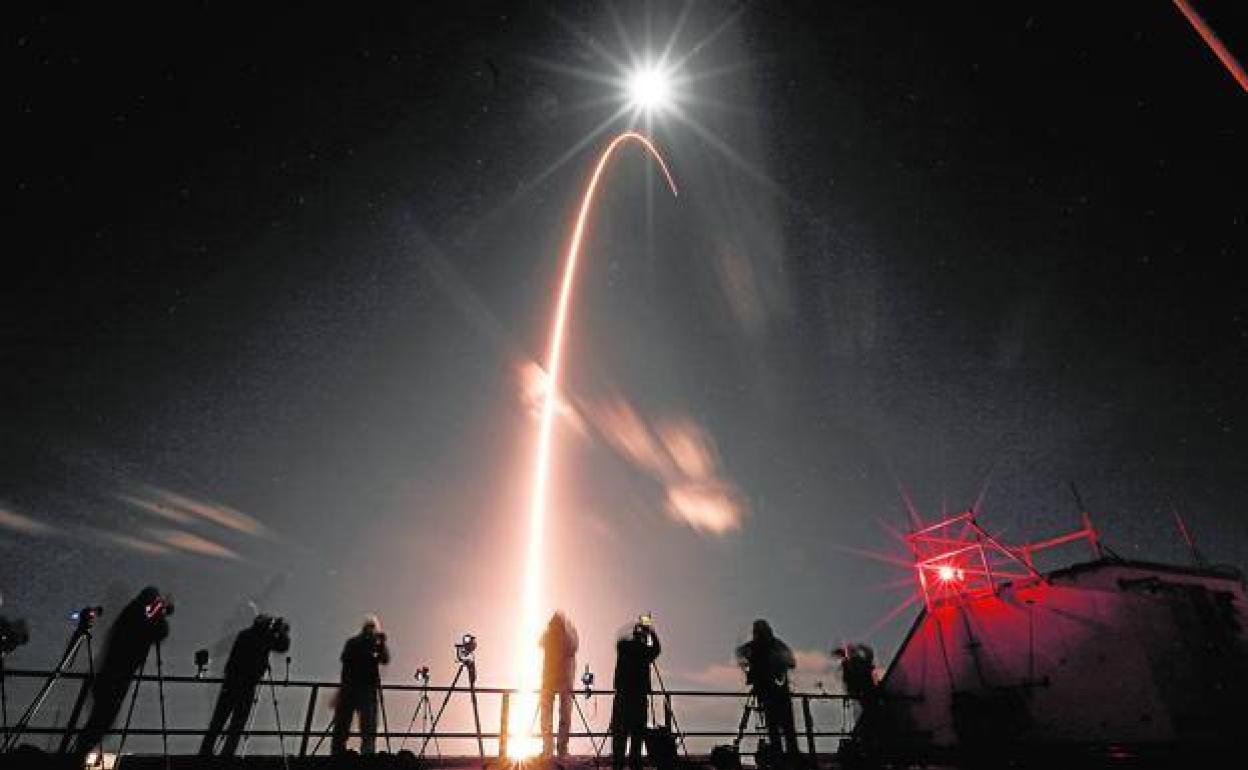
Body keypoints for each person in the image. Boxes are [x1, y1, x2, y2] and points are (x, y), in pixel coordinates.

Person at [71, 587, 172, 761]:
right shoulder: (138, 614)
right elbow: (159, 632)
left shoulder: (134, 611)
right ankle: (77, 757)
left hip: (110, 675)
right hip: (116, 677)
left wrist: (158, 613)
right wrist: (161, 614)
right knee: (101, 722)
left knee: (100, 721)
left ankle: (77, 755)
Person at [199, 614, 291, 756]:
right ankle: (227, 754)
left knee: (219, 720)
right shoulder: (262, 638)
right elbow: (282, 646)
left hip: (231, 682)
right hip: (247, 684)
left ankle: (205, 753)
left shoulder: (246, 635)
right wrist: (282, 632)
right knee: (237, 723)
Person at [735, 619, 799, 769]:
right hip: (777, 692)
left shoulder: (762, 646)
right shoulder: (775, 644)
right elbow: (791, 662)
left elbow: (741, 653)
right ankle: (789, 758)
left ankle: (783, 759)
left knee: (777, 729)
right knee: (785, 728)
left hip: (770, 692)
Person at [332, 614, 390, 755]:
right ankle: (340, 751)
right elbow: (346, 659)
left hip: (363, 689)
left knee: (367, 723)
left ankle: (365, 752)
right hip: (354, 688)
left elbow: (385, 659)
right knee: (345, 723)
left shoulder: (373, 645)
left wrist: (382, 644)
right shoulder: (354, 643)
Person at [611, 619, 661, 770]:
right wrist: (651, 631)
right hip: (638, 700)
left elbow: (619, 639)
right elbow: (657, 649)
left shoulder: (623, 648)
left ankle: (618, 764)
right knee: (637, 737)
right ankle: (634, 764)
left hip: (621, 698)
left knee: (619, 737)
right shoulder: (645, 651)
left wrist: (636, 627)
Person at [539, 611, 579, 757]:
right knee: (558, 716)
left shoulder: (561, 637)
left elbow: (541, 643)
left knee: (555, 716)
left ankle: (552, 749)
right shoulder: (564, 637)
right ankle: (555, 749)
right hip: (556, 680)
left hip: (558, 681)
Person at [833, 643, 877, 725]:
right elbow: (869, 654)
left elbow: (848, 679)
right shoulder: (855, 663)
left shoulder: (853, 663)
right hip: (865, 692)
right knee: (868, 711)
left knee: (868, 711)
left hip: (864, 692)